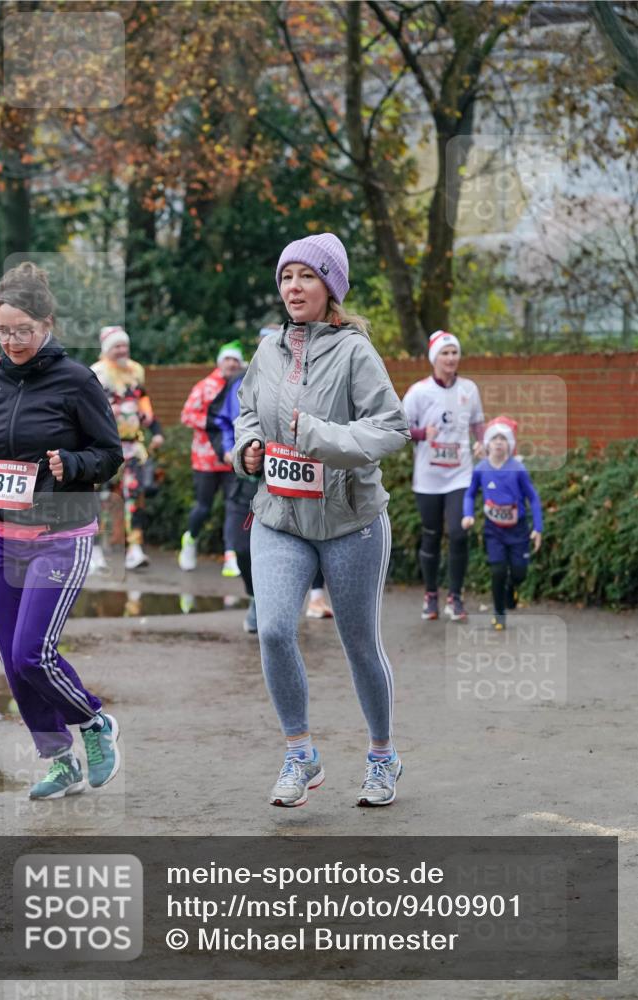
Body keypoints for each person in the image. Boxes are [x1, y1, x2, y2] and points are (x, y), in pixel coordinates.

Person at [232, 233, 410, 807]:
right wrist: (249, 450)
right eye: (286, 277)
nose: (293, 287)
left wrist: (320, 438)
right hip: (279, 516)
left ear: (330, 286)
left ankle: (383, 756)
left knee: (359, 643)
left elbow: (392, 428)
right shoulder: (267, 351)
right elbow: (247, 411)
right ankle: (300, 753)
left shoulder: (355, 351)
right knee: (277, 630)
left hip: (350, 521)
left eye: (306, 276)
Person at [0, 262, 123, 799]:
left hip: (62, 534)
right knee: (14, 664)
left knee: (32, 652)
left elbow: (110, 454)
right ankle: (60, 761)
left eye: (23, 330)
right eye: (3, 330)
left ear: (47, 324)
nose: (13, 341)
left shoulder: (77, 380)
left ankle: (94, 723)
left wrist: (74, 465)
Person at [211, 328, 333, 634]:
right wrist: (232, 450)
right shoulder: (240, 381)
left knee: (307, 538)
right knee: (241, 547)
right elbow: (221, 421)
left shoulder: (313, 377)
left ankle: (308, 598)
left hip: (296, 477)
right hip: (249, 479)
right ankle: (256, 597)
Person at [402, 331, 485, 623]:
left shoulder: (469, 389)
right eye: (445, 353)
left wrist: (481, 441)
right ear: (434, 358)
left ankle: (456, 597)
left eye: (454, 353)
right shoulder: (419, 392)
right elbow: (398, 429)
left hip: (460, 474)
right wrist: (423, 434)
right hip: (428, 477)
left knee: (460, 533)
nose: (451, 358)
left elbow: (477, 423)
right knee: (432, 535)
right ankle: (430, 595)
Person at [90, 326, 164, 571]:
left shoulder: (136, 370)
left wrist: (156, 430)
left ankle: (135, 548)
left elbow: (143, 401)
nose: (122, 350)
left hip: (133, 447)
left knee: (135, 497)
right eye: (117, 346)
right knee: (101, 499)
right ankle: (96, 550)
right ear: (107, 349)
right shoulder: (97, 373)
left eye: (125, 345)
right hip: (105, 448)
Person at [462, 416, 543, 629]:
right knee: (497, 571)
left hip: (518, 530)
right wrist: (468, 514)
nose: (499, 442)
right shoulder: (481, 469)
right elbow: (470, 494)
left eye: (503, 438)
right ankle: (499, 614)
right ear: (487, 443)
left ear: (510, 444)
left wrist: (538, 528)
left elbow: (533, 498)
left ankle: (512, 587)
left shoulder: (518, 469)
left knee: (519, 573)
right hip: (494, 530)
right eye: (494, 438)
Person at [178, 342, 245, 577]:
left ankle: (230, 556)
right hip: (205, 459)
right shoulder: (205, 387)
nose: (232, 364)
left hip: (232, 457)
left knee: (233, 507)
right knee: (203, 507)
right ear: (219, 362)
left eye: (236, 360)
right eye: (227, 359)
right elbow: (186, 415)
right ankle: (190, 540)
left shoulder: (241, 385)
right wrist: (213, 423)